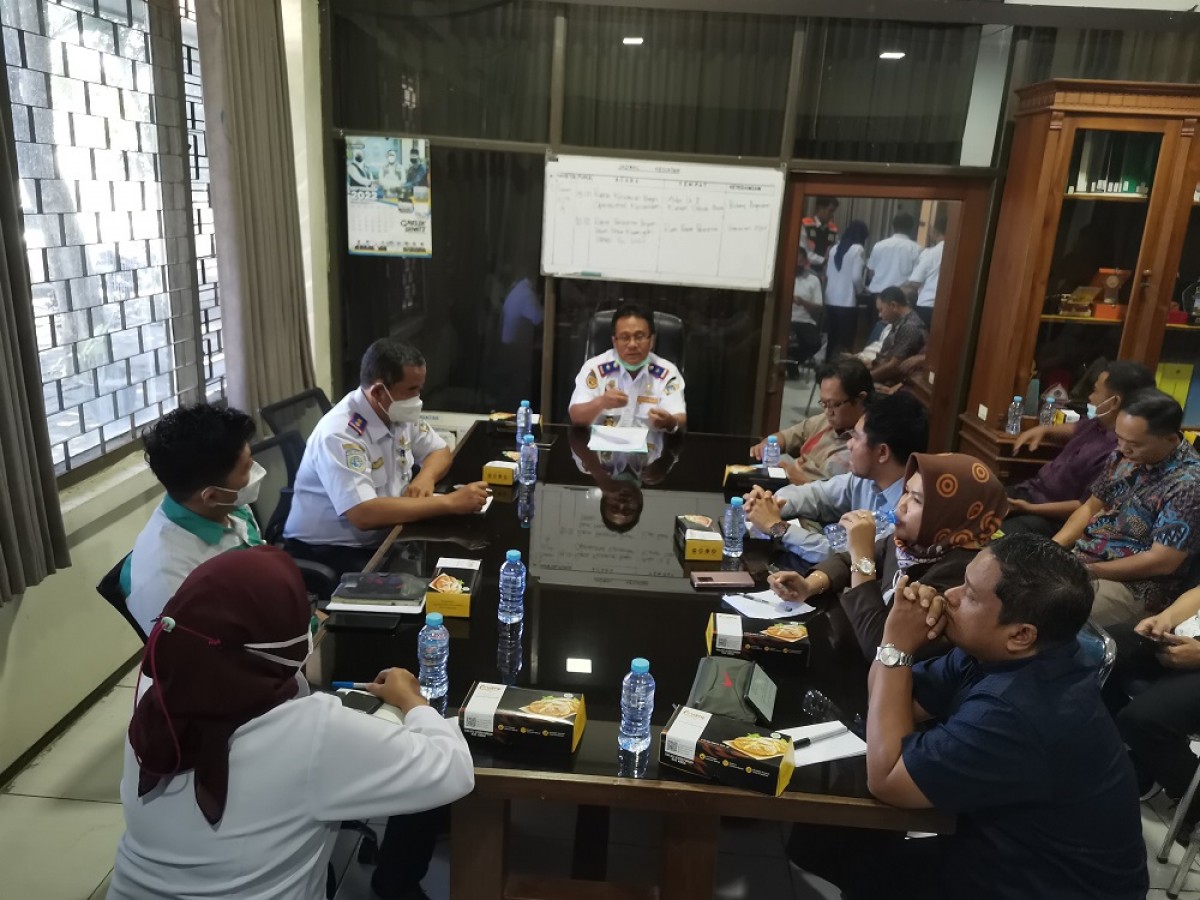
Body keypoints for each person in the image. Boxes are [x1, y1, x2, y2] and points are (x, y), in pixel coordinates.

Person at [788, 534, 1148, 900]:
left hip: (1047, 883)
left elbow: (888, 778)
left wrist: (896, 641)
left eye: (972, 595)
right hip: (1007, 848)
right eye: (963, 581)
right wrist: (896, 649)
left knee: (842, 847)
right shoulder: (1009, 651)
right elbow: (903, 701)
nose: (951, 596)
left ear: (1021, 634)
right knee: (820, 837)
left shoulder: (1017, 710)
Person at [108, 546, 475, 900]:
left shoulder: (154, 698)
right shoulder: (312, 731)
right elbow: (452, 769)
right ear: (282, 640)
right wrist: (412, 700)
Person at [769, 453, 1007, 660]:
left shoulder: (962, 573)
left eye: (917, 500)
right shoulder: (913, 544)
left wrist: (862, 555)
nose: (901, 505)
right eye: (906, 492)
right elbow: (845, 559)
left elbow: (881, 647)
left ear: (951, 514)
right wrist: (809, 585)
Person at [284, 338, 489, 576]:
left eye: (420, 388)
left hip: (389, 533)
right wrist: (450, 502)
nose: (418, 398)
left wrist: (426, 477)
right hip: (333, 550)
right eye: (412, 390)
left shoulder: (395, 411)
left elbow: (439, 451)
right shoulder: (341, 435)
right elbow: (363, 513)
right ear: (379, 391)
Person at [1052, 389, 1200, 628]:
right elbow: (1090, 507)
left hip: (1137, 587)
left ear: (1171, 440)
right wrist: (1052, 548)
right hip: (1086, 561)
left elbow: (1162, 561)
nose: (1121, 449)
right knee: (1016, 590)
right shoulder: (1123, 455)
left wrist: (1091, 571)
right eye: (1119, 437)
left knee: (1053, 613)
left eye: (1133, 444)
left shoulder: (1188, 484)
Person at [122, 404, 264, 638]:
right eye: (247, 467)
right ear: (211, 496)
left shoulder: (230, 508)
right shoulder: (166, 579)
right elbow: (196, 663)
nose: (256, 472)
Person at [743, 392, 928, 565]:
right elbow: (816, 494)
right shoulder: (866, 479)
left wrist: (776, 527)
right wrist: (769, 504)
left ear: (882, 452)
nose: (849, 444)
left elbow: (840, 555)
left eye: (856, 437)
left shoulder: (907, 513)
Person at [1005, 360, 1156, 537]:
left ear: (1114, 402)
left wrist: (1031, 509)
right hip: (1028, 493)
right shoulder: (1098, 424)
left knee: (997, 537)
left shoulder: (1119, 452)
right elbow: (1074, 428)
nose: (1090, 397)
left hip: (1050, 518)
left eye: (1095, 391)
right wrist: (1044, 429)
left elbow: (1084, 506)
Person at [1107, 584, 1200, 830]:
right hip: (1188, 637)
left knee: (1144, 719)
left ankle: (1195, 803)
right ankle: (1138, 758)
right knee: (1097, 651)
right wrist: (1164, 618)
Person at [749, 357, 872, 484]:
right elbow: (788, 436)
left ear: (859, 399)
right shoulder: (829, 419)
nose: (827, 412)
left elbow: (835, 499)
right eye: (824, 403)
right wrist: (766, 446)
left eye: (833, 404)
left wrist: (801, 482)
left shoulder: (864, 444)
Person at [568, 303, 686, 432]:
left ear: (652, 340)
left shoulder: (667, 373)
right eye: (624, 337)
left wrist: (669, 421)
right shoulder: (594, 368)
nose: (632, 344)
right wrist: (601, 402)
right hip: (601, 449)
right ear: (614, 341)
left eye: (639, 336)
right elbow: (576, 417)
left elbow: (679, 417)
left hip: (650, 449)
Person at [823, 219, 868, 360]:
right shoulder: (858, 249)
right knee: (845, 341)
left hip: (830, 299)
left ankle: (827, 366)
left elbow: (828, 274)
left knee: (832, 337)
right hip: (847, 301)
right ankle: (841, 371)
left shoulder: (834, 248)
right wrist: (861, 290)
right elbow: (856, 277)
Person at [868, 286, 927, 385]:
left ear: (893, 305)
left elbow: (894, 367)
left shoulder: (910, 327)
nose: (879, 315)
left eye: (881, 310)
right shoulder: (899, 321)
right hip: (882, 373)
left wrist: (866, 379)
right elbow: (884, 357)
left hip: (893, 382)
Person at [904, 212, 946, 330]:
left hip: (927, 306)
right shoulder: (960, 251)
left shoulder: (931, 253)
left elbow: (915, 281)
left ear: (935, 231)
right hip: (948, 308)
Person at [865, 212, 921, 294]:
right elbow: (916, 279)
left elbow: (871, 273)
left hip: (876, 293)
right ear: (912, 228)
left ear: (893, 227)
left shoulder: (879, 245)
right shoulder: (917, 249)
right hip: (900, 296)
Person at [789, 255, 824, 368]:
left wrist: (803, 302)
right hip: (787, 320)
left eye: (800, 262)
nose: (797, 265)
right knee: (788, 340)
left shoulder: (813, 280)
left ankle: (793, 363)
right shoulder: (786, 277)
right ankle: (790, 365)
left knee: (814, 343)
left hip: (805, 320)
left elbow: (818, 307)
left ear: (805, 262)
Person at [801, 196, 840, 275]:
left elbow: (837, 248)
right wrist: (823, 261)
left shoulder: (833, 229)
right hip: (807, 273)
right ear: (820, 208)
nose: (832, 215)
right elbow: (803, 253)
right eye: (830, 211)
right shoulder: (805, 225)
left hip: (827, 273)